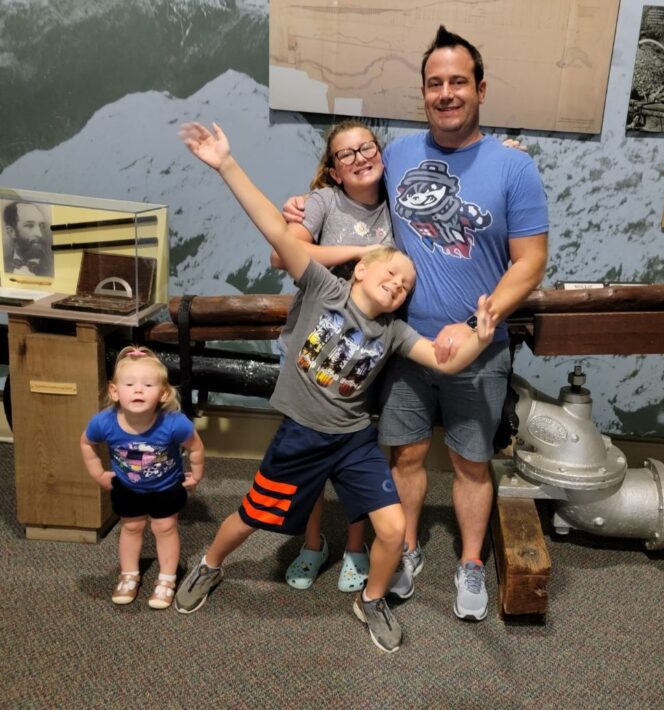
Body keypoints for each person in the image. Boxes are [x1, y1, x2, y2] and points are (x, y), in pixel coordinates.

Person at [172, 121, 494, 653]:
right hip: (300, 436)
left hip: (352, 441)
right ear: (362, 269)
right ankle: (209, 565)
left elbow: (445, 361)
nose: (397, 284)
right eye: (390, 274)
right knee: (253, 516)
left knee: (391, 530)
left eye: (406, 286)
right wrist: (226, 164)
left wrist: (480, 338)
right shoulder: (322, 287)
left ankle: (370, 599)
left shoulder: (395, 332)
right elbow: (276, 234)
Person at [283, 26, 549, 622]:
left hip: (478, 345)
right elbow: (344, 184)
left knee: (470, 463)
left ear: (481, 89)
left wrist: (485, 318)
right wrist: (302, 204)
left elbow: (530, 260)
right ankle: (403, 549)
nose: (446, 93)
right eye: (435, 83)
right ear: (423, 92)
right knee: (402, 457)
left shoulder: (513, 169)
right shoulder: (397, 154)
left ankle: (472, 561)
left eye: (459, 82)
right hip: (399, 344)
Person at [270, 120, 393, 594]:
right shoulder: (322, 201)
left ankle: (357, 547)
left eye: (367, 147)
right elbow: (284, 255)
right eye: (346, 154)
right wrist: (368, 251)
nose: (360, 157)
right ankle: (313, 542)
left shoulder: (399, 201)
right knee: (312, 453)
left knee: (361, 455)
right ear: (334, 170)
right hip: (315, 344)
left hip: (370, 351)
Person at [80, 346, 205, 609]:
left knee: (165, 528)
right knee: (131, 527)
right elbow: (86, 443)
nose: (138, 390)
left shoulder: (174, 423)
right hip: (127, 487)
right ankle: (129, 575)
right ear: (115, 391)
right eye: (130, 384)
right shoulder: (103, 422)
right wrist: (98, 473)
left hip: (166, 487)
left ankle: (167, 578)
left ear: (163, 393)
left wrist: (197, 474)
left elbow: (195, 447)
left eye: (148, 384)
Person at [2, 201, 54, 277]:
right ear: (11, 232)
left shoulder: (53, 265)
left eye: (41, 226)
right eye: (29, 226)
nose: (40, 234)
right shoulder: (3, 263)